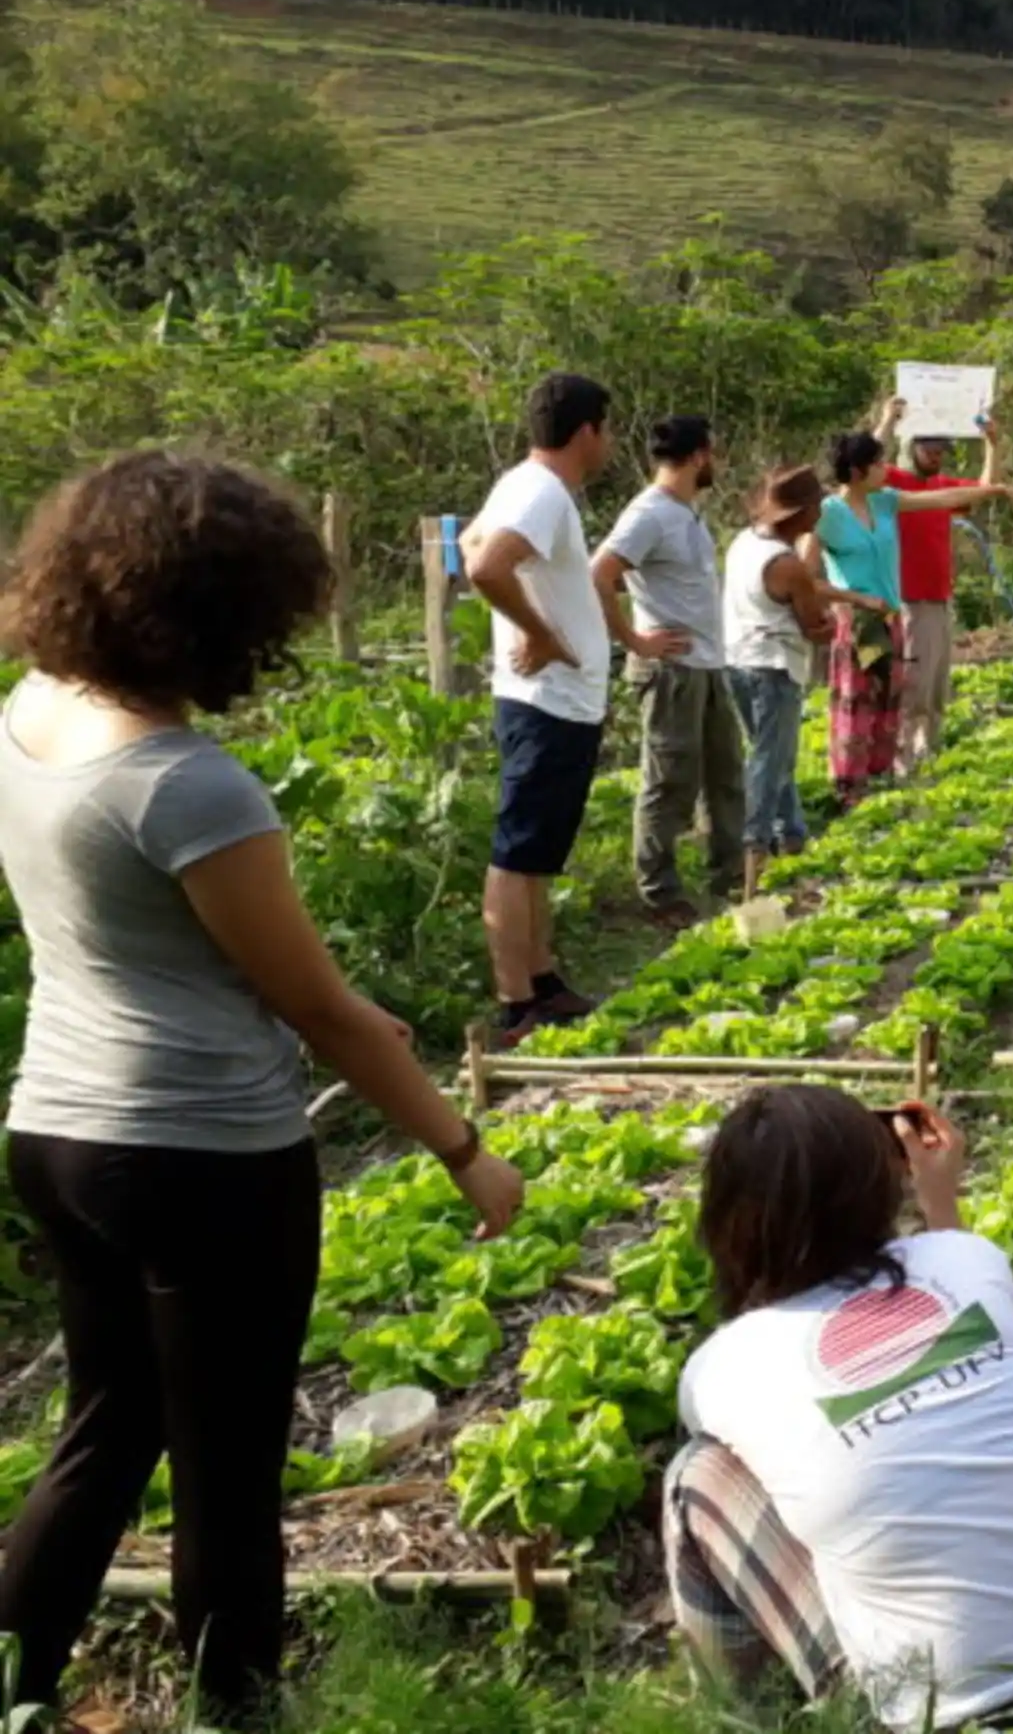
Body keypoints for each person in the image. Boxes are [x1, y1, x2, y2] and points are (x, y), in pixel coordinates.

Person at [0, 453, 528, 1724]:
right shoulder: (189, 782)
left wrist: (315, 1003)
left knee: (108, 1424)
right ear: (224, 611)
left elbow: (172, 946)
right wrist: (463, 1147)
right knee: (230, 1466)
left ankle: (16, 1672)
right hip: (203, 1155)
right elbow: (316, 1007)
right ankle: (239, 1707)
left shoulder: (29, 709)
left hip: (59, 1129)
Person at [670, 1085, 1013, 1728]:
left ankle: (743, 1714)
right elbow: (957, 1276)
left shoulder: (725, 1366)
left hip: (964, 1713)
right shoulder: (962, 1259)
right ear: (883, 1184)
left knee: (698, 1475)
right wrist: (941, 1197)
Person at [462, 371, 616, 1046]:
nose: (607, 443)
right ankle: (514, 999)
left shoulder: (521, 485)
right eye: (606, 430)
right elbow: (485, 566)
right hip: (544, 699)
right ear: (587, 430)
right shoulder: (542, 491)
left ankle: (542, 978)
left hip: (556, 701)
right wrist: (539, 632)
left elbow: (469, 542)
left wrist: (530, 622)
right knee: (517, 850)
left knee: (538, 852)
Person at [815, 432, 1013, 801]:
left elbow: (945, 497)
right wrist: (851, 599)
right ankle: (850, 785)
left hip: (890, 616)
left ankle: (882, 778)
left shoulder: (884, 502)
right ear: (857, 471)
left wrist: (999, 490)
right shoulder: (830, 513)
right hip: (859, 622)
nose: (884, 468)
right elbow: (805, 570)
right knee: (858, 700)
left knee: (890, 697)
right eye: (877, 463)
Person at [595, 414, 746, 929]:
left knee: (725, 774)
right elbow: (601, 573)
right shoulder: (649, 514)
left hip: (707, 663)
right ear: (699, 455)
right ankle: (659, 891)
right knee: (669, 780)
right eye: (715, 453)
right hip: (672, 669)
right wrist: (635, 638)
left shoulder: (687, 512)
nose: (718, 463)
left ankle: (730, 874)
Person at [874, 397, 1007, 777]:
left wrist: (993, 445)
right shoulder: (893, 486)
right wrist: (887, 421)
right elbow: (864, 465)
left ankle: (927, 752)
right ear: (911, 447)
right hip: (908, 600)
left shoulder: (942, 488)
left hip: (938, 598)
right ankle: (901, 759)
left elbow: (983, 489)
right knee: (911, 683)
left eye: (940, 451)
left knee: (935, 685)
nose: (935, 456)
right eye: (929, 449)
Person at [724, 465, 833, 892]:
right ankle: (755, 851)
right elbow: (813, 625)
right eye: (816, 507)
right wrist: (828, 629)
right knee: (769, 763)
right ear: (801, 514)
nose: (820, 514)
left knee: (774, 755)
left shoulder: (743, 543)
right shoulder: (787, 564)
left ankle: (793, 837)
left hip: (738, 661)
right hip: (774, 667)